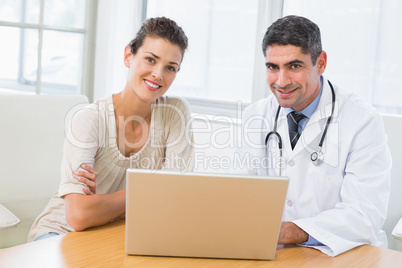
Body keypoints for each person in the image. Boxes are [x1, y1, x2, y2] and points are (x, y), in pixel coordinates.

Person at [28, 17, 194, 241]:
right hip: (58, 234)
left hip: (116, 235)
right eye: (150, 59)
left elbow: (178, 197)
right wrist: (151, 191)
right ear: (128, 56)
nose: (158, 75)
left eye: (170, 68)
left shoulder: (175, 113)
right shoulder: (90, 120)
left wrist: (101, 203)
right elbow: (78, 215)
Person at [237, 15, 391, 256]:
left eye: (294, 66)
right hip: (277, 254)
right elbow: (239, 197)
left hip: (343, 255)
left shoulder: (362, 121)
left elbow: (364, 216)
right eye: (272, 67)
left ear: (321, 63)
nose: (281, 81)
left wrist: (289, 231)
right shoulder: (255, 116)